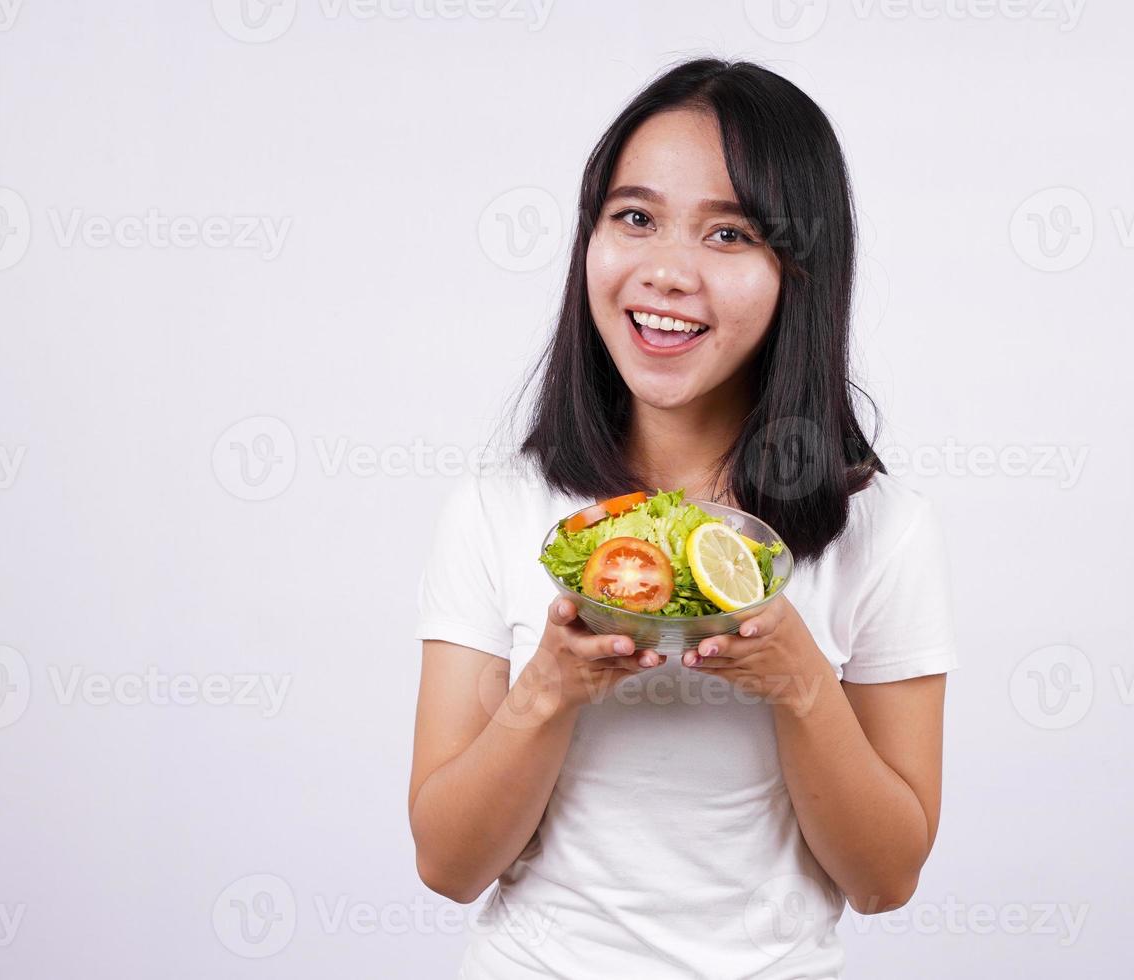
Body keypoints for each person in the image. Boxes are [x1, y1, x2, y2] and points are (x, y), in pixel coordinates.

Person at [409, 57, 959, 979]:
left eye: (729, 234)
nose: (666, 271)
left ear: (799, 269)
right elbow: (448, 865)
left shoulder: (881, 527)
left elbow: (886, 878)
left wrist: (798, 682)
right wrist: (549, 686)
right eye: (636, 218)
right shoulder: (500, 510)